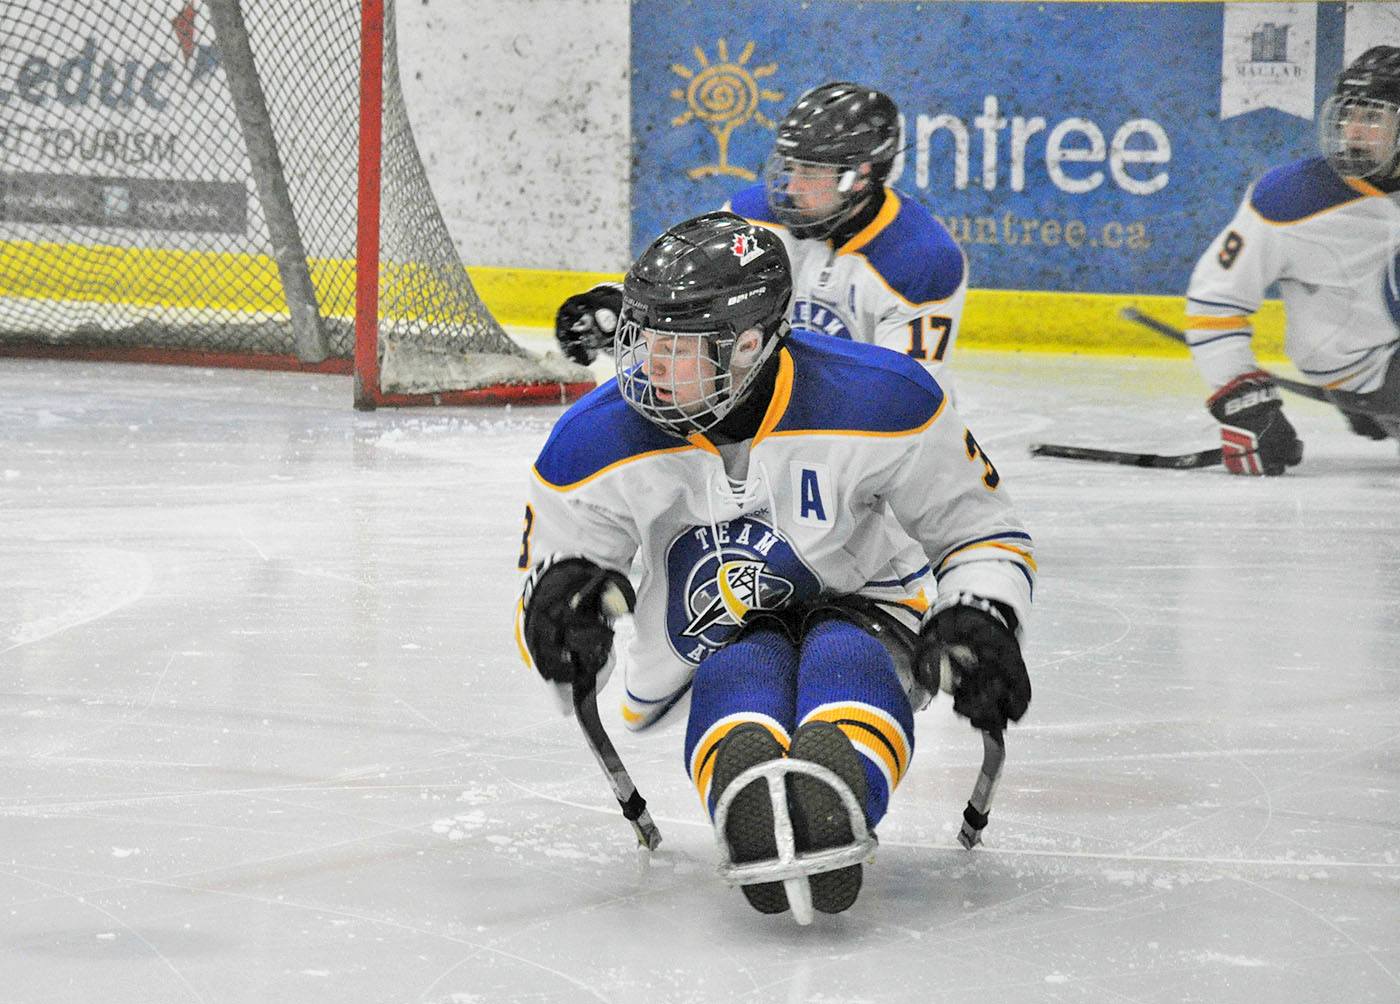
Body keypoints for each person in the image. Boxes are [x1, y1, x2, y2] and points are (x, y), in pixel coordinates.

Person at [516, 211, 1033, 919]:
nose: (645, 365)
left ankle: (842, 799)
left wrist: (982, 612)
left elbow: (980, 534)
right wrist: (561, 622)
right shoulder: (588, 443)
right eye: (641, 340)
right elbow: (552, 578)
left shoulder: (884, 401)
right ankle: (748, 801)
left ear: (749, 344)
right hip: (714, 627)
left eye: (677, 347)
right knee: (739, 668)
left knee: (847, 652)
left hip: (867, 599)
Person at [555, 82, 970, 397]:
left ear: (860, 176)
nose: (791, 185)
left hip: (878, 456)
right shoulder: (755, 214)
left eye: (809, 171)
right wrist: (628, 312)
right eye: (790, 167)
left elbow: (898, 398)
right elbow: (696, 302)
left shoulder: (922, 261)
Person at [1185, 46, 1400, 475]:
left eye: (1373, 118)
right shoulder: (1291, 197)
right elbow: (1215, 302)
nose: (1353, 130)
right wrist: (1243, 404)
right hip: (1365, 370)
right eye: (1348, 114)